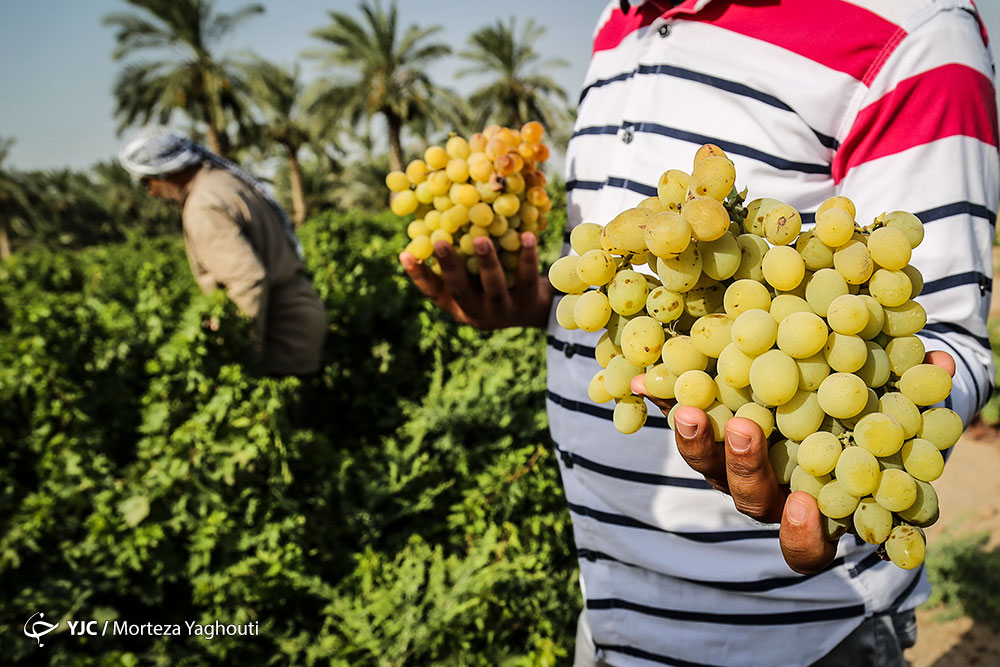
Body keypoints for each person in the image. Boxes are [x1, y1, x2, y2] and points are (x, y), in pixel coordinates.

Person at [401, 0, 998, 664]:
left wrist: (858, 439)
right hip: (606, 609)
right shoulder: (616, 20)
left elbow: (938, 334)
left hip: (798, 634)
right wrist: (534, 300)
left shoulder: (915, 21)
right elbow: (634, 287)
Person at [120, 127, 327, 378]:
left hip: (279, 335)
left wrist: (240, 351)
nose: (151, 192)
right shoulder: (224, 182)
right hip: (299, 322)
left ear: (168, 171)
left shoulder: (202, 205)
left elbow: (247, 279)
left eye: (147, 182)